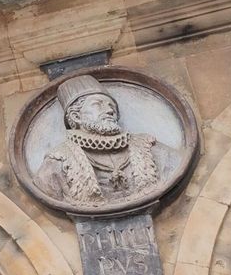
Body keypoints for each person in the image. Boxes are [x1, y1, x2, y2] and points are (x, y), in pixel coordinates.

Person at [36, 75, 176, 207]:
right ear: (75, 116)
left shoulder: (146, 146)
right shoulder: (57, 161)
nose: (109, 111)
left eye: (111, 106)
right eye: (98, 105)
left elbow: (174, 166)